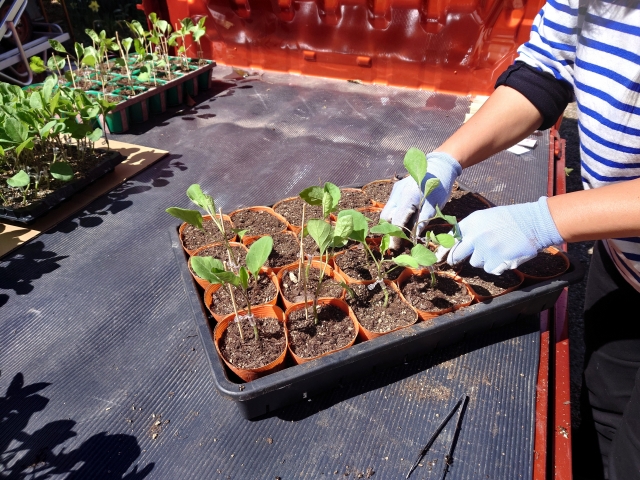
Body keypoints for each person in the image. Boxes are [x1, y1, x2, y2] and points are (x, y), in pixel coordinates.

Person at [380, 0, 640, 478]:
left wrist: (545, 220)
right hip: (625, 261)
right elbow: (546, 70)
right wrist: (445, 160)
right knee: (603, 409)